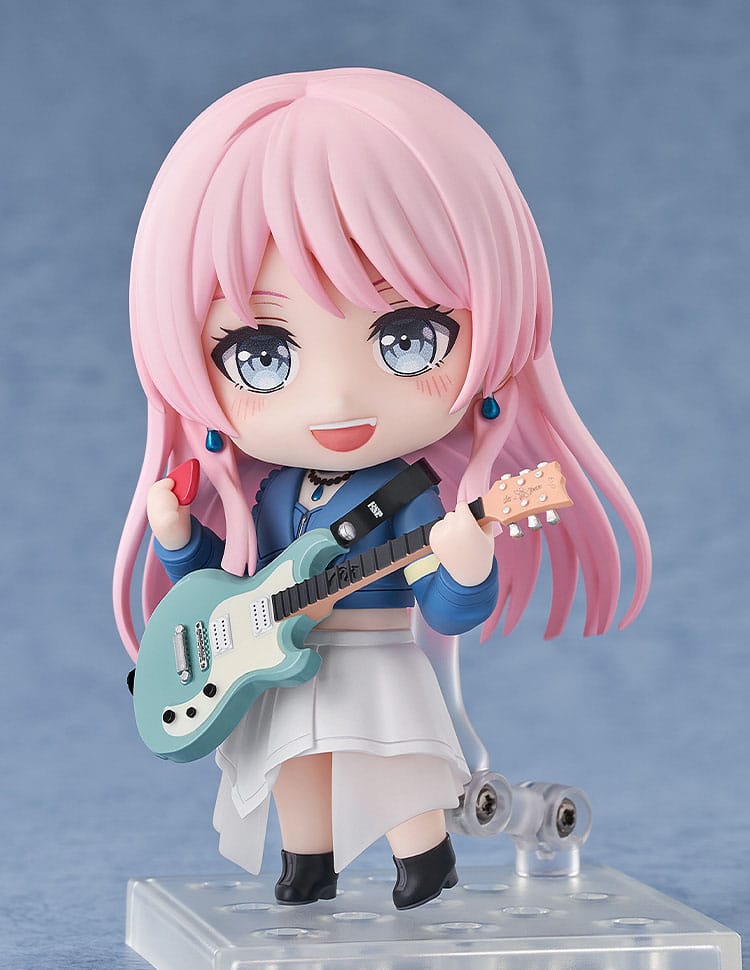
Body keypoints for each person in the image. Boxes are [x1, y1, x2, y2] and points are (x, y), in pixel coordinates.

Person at [113, 68, 651, 910]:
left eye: (408, 338)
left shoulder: (410, 494)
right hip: (281, 657)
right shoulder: (277, 493)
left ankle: (424, 860)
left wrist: (465, 562)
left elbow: (446, 610)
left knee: (397, 759)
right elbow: (229, 585)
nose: (335, 400)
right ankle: (307, 863)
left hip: (377, 652)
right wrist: (179, 537)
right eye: (263, 356)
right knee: (296, 759)